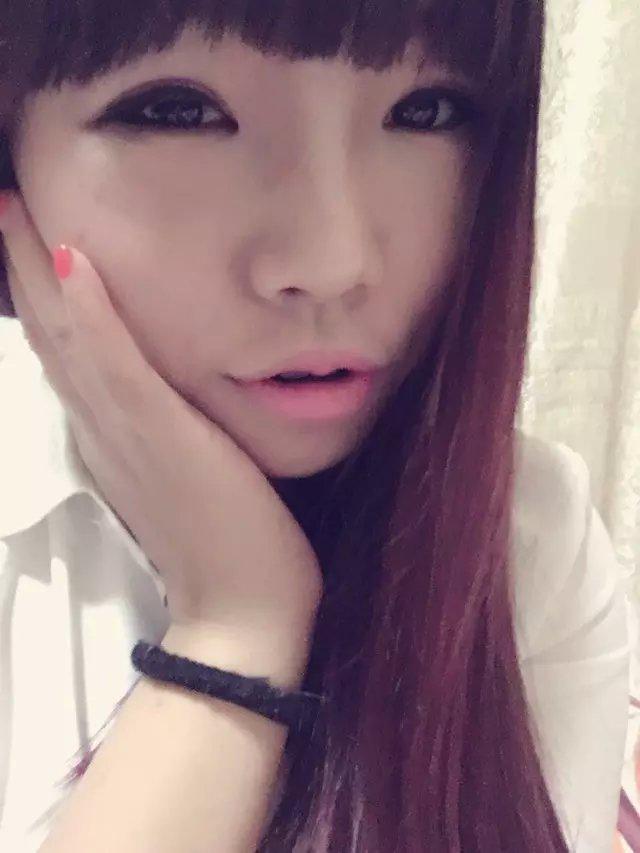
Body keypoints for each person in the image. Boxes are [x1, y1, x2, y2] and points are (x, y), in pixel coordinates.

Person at [0, 0, 631, 850]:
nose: (332, 261)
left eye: (426, 111)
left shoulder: (527, 537)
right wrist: (236, 624)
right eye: (178, 111)